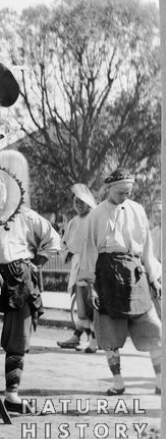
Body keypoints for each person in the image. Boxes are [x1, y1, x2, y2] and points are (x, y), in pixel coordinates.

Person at [78, 169, 162, 396]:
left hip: (135, 275)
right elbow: (89, 251)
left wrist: (153, 278)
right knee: (109, 334)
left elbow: (147, 248)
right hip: (106, 277)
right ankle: (118, 383)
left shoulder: (137, 210)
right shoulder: (96, 215)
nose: (126, 196)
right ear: (109, 189)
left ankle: (160, 381)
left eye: (129, 192)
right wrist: (91, 287)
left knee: (154, 330)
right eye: (121, 192)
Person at [0, 150, 61, 414]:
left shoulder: (26, 216)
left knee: (18, 334)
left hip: (18, 275)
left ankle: (12, 394)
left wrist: (36, 262)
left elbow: (54, 241)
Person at [57, 184, 100, 352]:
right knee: (81, 304)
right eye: (76, 202)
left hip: (92, 266)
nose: (79, 205)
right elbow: (64, 243)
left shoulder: (95, 218)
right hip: (77, 266)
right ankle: (82, 337)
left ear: (88, 202)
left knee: (93, 302)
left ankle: (95, 339)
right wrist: (67, 253)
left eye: (82, 202)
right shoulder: (73, 222)